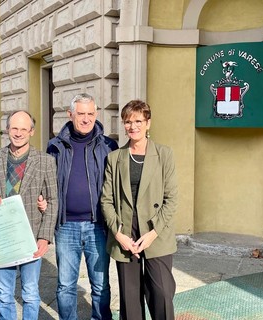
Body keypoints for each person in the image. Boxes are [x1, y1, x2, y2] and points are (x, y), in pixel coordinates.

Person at [0, 110, 58, 320]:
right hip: (1, 239)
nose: (18, 133)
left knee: (30, 293)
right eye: (14, 128)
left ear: (31, 132)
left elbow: (53, 200)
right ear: (7, 129)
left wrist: (45, 237)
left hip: (30, 238)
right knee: (4, 294)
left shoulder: (45, 161)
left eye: (23, 129)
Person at [101, 100, 178, 320]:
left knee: (162, 293)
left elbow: (171, 199)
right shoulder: (114, 158)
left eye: (138, 121)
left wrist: (154, 233)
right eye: (128, 121)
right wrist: (119, 235)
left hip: (156, 231)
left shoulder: (164, 154)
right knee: (130, 298)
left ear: (148, 123)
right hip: (125, 232)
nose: (132, 126)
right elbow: (106, 199)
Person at [47, 93, 118, 320]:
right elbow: (47, 182)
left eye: (90, 113)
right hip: (66, 226)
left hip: (98, 225)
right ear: (70, 115)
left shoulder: (108, 145)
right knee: (66, 285)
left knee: (101, 285)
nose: (86, 119)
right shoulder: (55, 146)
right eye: (80, 114)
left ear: (96, 114)